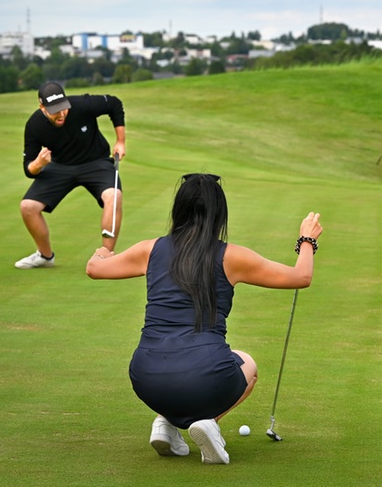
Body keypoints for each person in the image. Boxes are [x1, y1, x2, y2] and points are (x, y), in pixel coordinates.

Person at [86, 173, 323, 465]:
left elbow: (95, 268)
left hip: (145, 376)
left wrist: (102, 251)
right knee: (247, 363)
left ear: (179, 210)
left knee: (185, 371)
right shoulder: (232, 256)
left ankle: (166, 424)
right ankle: (208, 423)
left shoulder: (150, 249)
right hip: (206, 375)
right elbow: (301, 276)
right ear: (218, 214)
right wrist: (307, 239)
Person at [15, 81, 127, 269]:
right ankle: (45, 256)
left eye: (63, 108)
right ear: (42, 107)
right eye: (55, 110)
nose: (61, 114)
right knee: (28, 207)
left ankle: (106, 257)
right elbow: (28, 169)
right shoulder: (34, 125)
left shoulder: (82, 105)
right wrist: (38, 164)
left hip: (96, 161)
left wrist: (120, 141)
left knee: (114, 196)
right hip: (60, 166)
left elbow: (114, 104)